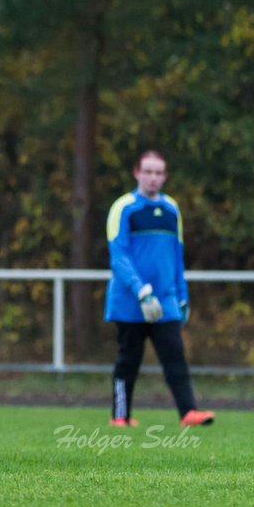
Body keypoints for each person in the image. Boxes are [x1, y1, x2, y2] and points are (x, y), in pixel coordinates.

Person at [104, 150, 213, 428]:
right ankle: (120, 416)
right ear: (137, 173)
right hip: (130, 300)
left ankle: (189, 412)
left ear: (164, 176)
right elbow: (119, 256)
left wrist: (182, 296)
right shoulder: (124, 207)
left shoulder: (171, 209)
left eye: (158, 172)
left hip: (165, 301)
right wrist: (141, 290)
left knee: (174, 356)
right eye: (148, 171)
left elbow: (176, 257)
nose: (153, 178)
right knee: (128, 360)